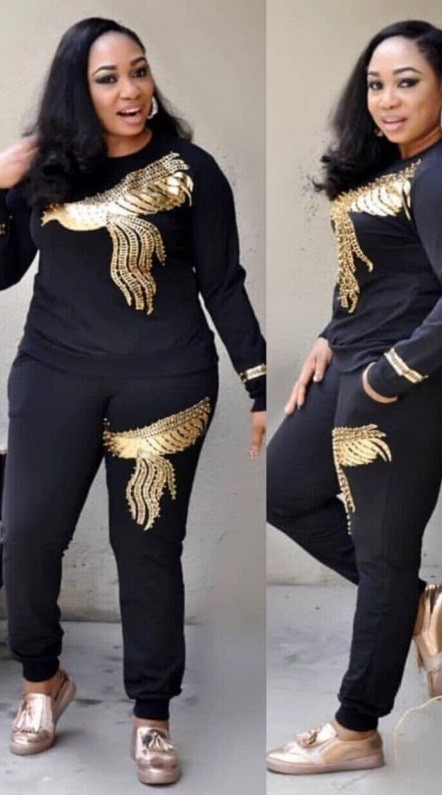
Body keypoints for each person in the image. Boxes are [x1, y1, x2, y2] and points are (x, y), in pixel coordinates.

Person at [0, 17, 266, 786]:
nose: (131, 90)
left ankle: (153, 715)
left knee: (147, 549)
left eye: (139, 70)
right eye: (109, 77)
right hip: (54, 375)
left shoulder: (190, 171)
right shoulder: (47, 170)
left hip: (165, 381)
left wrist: (258, 381)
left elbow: (223, 282)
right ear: (77, 91)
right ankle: (43, 682)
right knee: (26, 535)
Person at [266, 19, 442, 775]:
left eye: (407, 83)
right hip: (356, 358)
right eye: (377, 85)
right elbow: (374, 271)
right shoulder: (397, 163)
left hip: (407, 384)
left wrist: (389, 376)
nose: (388, 100)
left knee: (381, 552)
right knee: (282, 487)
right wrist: (331, 335)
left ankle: (356, 727)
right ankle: (418, 603)